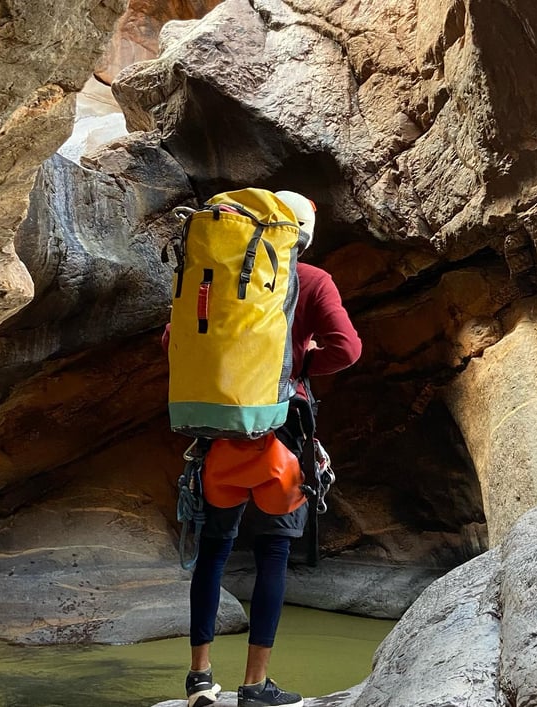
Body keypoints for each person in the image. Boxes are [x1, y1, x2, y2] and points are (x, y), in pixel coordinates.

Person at [165, 190, 362, 707]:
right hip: (284, 435)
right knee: (274, 554)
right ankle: (255, 685)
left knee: (214, 551)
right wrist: (301, 368)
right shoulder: (312, 280)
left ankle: (200, 679)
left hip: (216, 437)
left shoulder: (218, 278)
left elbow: (172, 340)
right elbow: (348, 348)